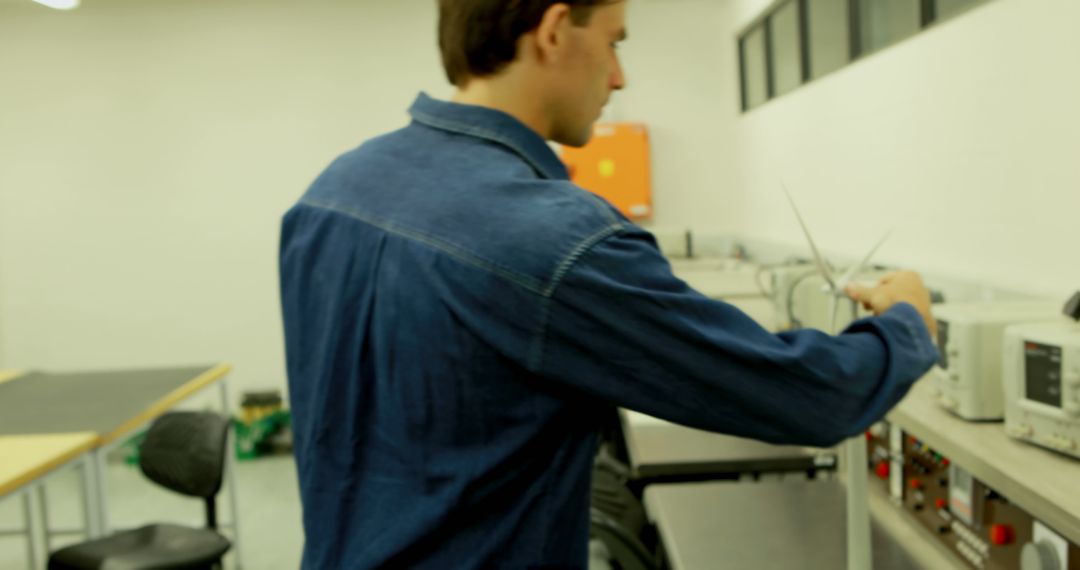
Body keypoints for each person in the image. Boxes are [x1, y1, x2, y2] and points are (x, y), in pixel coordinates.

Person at [278, 0, 939, 567]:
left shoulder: (328, 196)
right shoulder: (555, 240)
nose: (620, 77)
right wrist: (905, 326)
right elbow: (809, 399)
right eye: (614, 42)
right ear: (555, 29)